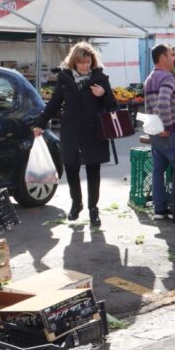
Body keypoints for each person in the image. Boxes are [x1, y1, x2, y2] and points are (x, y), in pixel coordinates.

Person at [33, 42, 118, 226]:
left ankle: (93, 209)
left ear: (92, 61)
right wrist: (40, 124)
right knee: (71, 168)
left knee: (93, 170)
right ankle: (76, 204)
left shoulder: (100, 78)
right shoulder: (65, 79)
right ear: (74, 62)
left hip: (93, 131)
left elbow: (113, 106)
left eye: (88, 62)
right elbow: (53, 104)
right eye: (81, 63)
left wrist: (103, 93)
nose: (85, 66)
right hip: (71, 131)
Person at [144, 44, 175, 220]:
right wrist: (168, 127)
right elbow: (163, 102)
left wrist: (155, 129)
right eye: (171, 55)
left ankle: (160, 210)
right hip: (171, 134)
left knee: (158, 171)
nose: (174, 58)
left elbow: (150, 107)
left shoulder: (150, 78)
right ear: (162, 57)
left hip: (157, 133)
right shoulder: (167, 78)